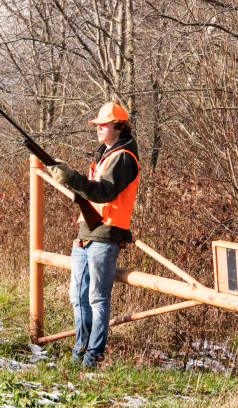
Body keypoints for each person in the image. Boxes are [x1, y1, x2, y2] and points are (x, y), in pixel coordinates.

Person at [46, 102, 139, 368]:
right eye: (97, 124)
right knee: (78, 296)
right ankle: (80, 351)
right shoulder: (106, 154)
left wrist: (72, 177)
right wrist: (72, 180)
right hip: (87, 232)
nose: (98, 128)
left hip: (107, 235)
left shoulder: (122, 157)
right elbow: (92, 194)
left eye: (103, 124)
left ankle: (92, 357)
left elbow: (103, 193)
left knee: (97, 298)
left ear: (119, 127)